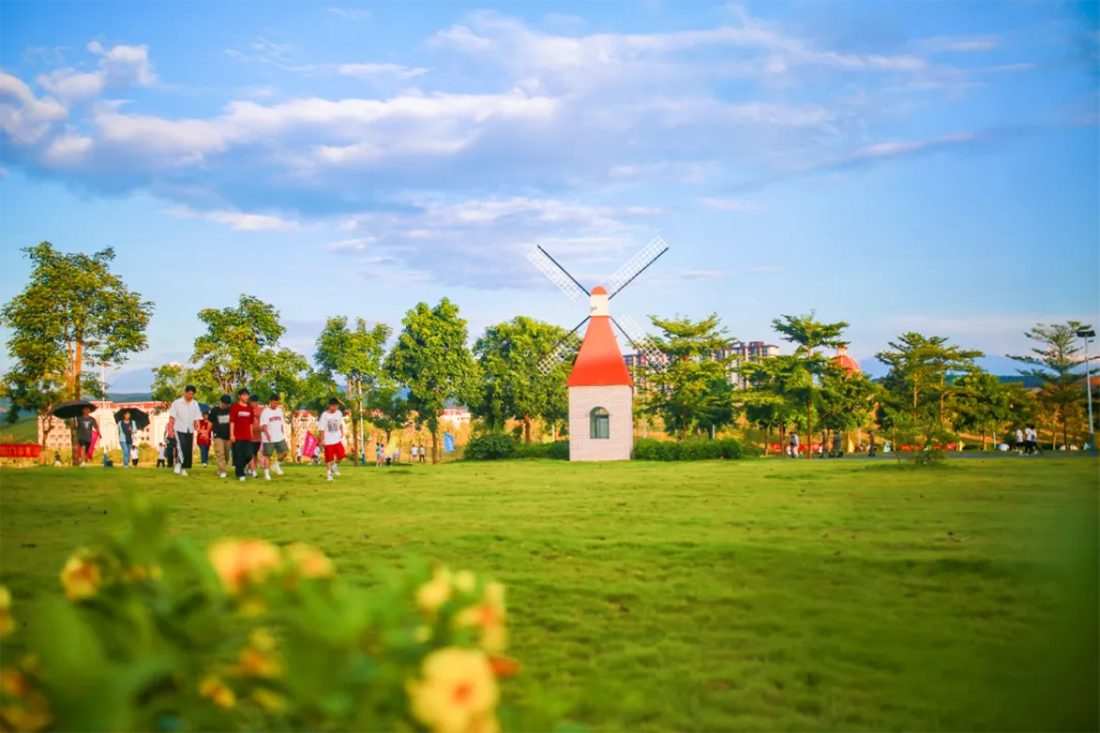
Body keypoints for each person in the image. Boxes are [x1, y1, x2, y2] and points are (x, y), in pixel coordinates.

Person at [167, 385, 203, 477]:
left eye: (192, 394)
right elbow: (172, 417)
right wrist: (170, 430)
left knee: (187, 449)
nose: (190, 396)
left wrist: (198, 427)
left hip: (189, 429)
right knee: (180, 446)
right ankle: (178, 464)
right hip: (179, 428)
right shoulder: (177, 403)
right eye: (189, 393)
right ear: (185, 392)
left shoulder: (195, 404)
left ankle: (184, 468)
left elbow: (197, 417)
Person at [260, 393, 289, 481]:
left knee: (285, 452)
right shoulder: (265, 412)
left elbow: (281, 423)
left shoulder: (279, 411)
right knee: (267, 456)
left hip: (279, 436)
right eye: (274, 403)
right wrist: (267, 434)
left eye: (277, 403)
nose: (276, 404)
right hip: (269, 437)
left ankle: (276, 465)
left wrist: (282, 432)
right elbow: (264, 425)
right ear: (270, 402)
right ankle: (267, 473)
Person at [230, 389, 256, 481]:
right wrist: (232, 434)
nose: (246, 397)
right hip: (237, 436)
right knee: (239, 455)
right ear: (239, 396)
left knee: (249, 455)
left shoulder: (249, 408)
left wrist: (251, 432)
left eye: (247, 395)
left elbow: (251, 423)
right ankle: (240, 474)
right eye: (244, 395)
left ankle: (239, 467)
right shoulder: (235, 408)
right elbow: (232, 422)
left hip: (247, 436)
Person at [317, 398, 345, 481]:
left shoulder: (339, 413)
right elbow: (322, 429)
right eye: (333, 406)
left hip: (336, 438)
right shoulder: (324, 415)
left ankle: (334, 466)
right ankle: (329, 475)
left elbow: (340, 423)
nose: (335, 408)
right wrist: (322, 440)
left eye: (336, 406)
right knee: (329, 458)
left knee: (341, 455)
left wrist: (342, 432)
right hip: (328, 440)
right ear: (329, 406)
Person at [207, 395, 233, 478]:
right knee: (220, 452)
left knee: (226, 454)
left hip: (228, 435)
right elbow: (210, 422)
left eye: (227, 404)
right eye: (224, 403)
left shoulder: (231, 410)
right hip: (218, 435)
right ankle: (222, 471)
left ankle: (222, 467)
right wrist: (206, 432)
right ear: (221, 402)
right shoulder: (215, 410)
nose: (225, 405)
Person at [249, 395, 262, 478]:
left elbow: (262, 422)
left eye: (256, 403)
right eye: (254, 403)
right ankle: (253, 471)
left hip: (258, 436)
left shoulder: (260, 410)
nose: (255, 404)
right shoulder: (248, 410)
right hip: (250, 436)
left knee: (255, 453)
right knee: (250, 453)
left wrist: (258, 417)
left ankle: (252, 468)